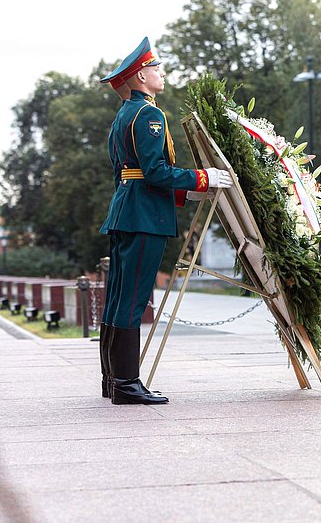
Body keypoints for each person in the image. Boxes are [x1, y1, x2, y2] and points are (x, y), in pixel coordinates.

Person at [98, 37, 233, 404]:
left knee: (118, 298)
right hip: (144, 217)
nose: (162, 73)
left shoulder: (123, 116)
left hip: (127, 211)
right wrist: (201, 178)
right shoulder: (150, 115)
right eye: (156, 68)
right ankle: (126, 385)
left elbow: (131, 174)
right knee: (132, 300)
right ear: (141, 76)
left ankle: (112, 381)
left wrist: (186, 191)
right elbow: (155, 172)